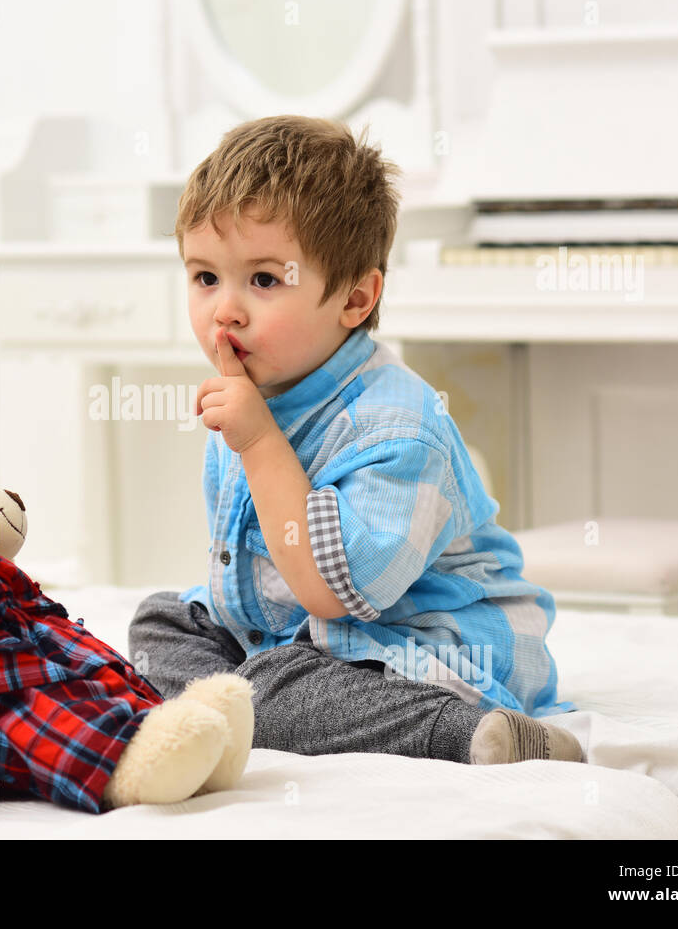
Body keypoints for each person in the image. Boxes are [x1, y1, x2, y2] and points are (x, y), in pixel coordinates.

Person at [129, 115, 583, 765]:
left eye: (262, 280)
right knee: (161, 623)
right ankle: (241, 704)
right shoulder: (258, 393)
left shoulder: (399, 427)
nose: (224, 309)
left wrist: (259, 441)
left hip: (420, 648)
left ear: (355, 297)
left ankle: (470, 733)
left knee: (270, 688)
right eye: (205, 278)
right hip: (301, 641)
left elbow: (329, 593)